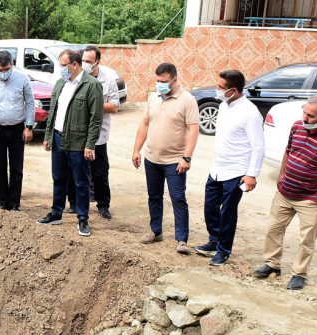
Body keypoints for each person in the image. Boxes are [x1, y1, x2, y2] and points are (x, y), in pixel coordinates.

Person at [253, 96, 317, 290]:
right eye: (304, 112)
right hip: (285, 192)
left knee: (306, 239)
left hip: (311, 198)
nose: (305, 118)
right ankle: (272, 264)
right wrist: (281, 175)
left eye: (311, 116)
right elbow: (288, 151)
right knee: (274, 228)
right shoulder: (297, 126)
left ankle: (300, 274)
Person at [195, 70, 265, 266]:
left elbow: (258, 146)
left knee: (227, 212)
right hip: (217, 168)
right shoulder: (225, 106)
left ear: (233, 90)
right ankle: (214, 241)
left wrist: (252, 174)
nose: (217, 90)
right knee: (210, 207)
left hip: (237, 172)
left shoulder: (250, 113)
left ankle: (223, 250)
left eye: (220, 87)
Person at [131, 62, 199, 254]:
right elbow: (144, 124)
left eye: (164, 81)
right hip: (152, 158)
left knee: (178, 198)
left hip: (175, 160)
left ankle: (182, 240)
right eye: (158, 81)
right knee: (154, 196)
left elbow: (194, 130)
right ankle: (155, 231)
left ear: (175, 80)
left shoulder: (187, 100)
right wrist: (137, 150)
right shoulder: (153, 98)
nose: (160, 84)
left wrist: (187, 157)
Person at [38, 49, 102, 237]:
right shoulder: (60, 83)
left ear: (74, 64)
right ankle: (56, 212)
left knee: (81, 182)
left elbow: (95, 119)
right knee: (58, 178)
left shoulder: (91, 85)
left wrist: (90, 144)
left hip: (78, 141)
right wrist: (48, 136)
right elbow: (54, 113)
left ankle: (82, 218)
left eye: (63, 65)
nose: (60, 69)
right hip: (58, 139)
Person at [0, 50, 35, 211]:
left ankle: (15, 202)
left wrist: (28, 126)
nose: (3, 73)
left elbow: (30, 103)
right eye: (0, 70)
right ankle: (3, 201)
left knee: (17, 168)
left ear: (12, 65)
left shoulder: (22, 79)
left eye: (6, 69)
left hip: (17, 129)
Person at [76, 45, 120, 220]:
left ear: (97, 62)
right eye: (83, 61)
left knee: (100, 172)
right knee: (79, 171)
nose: (85, 64)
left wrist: (93, 104)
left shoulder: (108, 80)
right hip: (79, 133)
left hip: (99, 136)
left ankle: (103, 205)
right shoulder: (77, 77)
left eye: (88, 61)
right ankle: (78, 204)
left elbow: (114, 106)